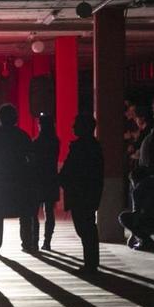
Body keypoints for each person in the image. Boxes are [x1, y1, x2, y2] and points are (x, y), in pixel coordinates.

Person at [119, 94, 154, 250]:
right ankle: (143, 237)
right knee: (137, 198)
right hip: (150, 172)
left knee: (138, 195)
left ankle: (146, 236)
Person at [0, 103, 32, 255]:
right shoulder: (23, 136)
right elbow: (32, 158)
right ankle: (27, 243)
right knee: (24, 214)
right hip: (19, 180)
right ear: (15, 118)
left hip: (0, 180)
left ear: (0, 119)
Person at [59, 114, 104, 273]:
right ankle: (92, 263)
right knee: (88, 228)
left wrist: (60, 179)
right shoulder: (95, 146)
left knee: (85, 229)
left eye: (76, 124)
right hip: (90, 193)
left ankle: (90, 265)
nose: (73, 127)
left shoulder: (80, 147)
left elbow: (71, 170)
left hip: (80, 193)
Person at [31, 113, 61, 250]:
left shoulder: (36, 143)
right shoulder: (55, 141)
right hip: (51, 178)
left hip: (37, 179)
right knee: (49, 212)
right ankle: (47, 241)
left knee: (34, 212)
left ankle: (34, 241)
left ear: (41, 126)